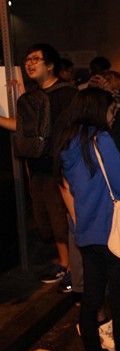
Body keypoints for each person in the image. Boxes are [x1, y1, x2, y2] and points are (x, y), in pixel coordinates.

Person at [53, 88, 120, 351]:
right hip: (113, 234)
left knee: (91, 300)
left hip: (87, 235)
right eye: (111, 112)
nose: (112, 118)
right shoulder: (102, 140)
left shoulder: (67, 143)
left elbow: (85, 186)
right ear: (99, 110)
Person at [0, 44, 76, 292]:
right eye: (27, 59)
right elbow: (26, 127)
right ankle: (64, 262)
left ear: (50, 64)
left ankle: (69, 267)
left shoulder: (66, 94)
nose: (29, 63)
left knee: (59, 218)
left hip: (59, 167)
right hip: (38, 168)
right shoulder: (34, 96)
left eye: (36, 59)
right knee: (45, 219)